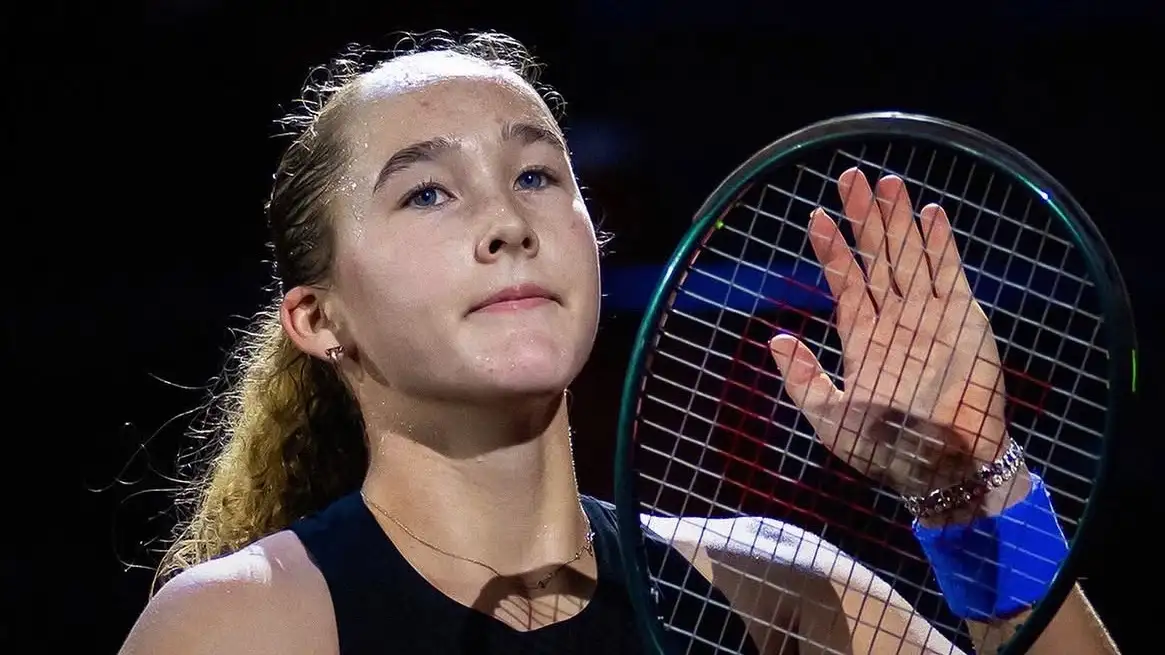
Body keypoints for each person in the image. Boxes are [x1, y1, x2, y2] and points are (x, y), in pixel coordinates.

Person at [118, 30, 1120, 655]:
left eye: (536, 176)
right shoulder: (241, 625)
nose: (506, 222)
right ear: (318, 319)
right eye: (425, 192)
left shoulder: (774, 587)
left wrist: (975, 493)